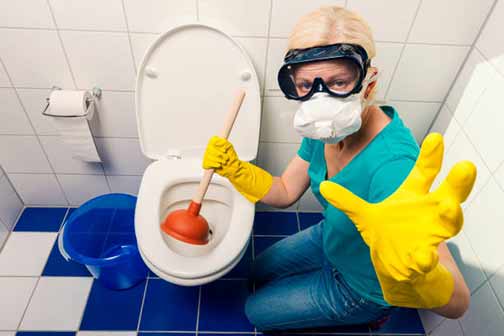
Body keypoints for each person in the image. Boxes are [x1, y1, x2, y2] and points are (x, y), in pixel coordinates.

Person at [202, 5, 472, 331]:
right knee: (258, 269)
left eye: (339, 81)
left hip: (362, 285)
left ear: (368, 84)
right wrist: (235, 169)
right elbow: (286, 190)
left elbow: (459, 302)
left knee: (255, 311)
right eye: (306, 85)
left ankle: (373, 311)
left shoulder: (394, 166)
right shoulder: (325, 131)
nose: (320, 100)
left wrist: (424, 283)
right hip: (332, 237)